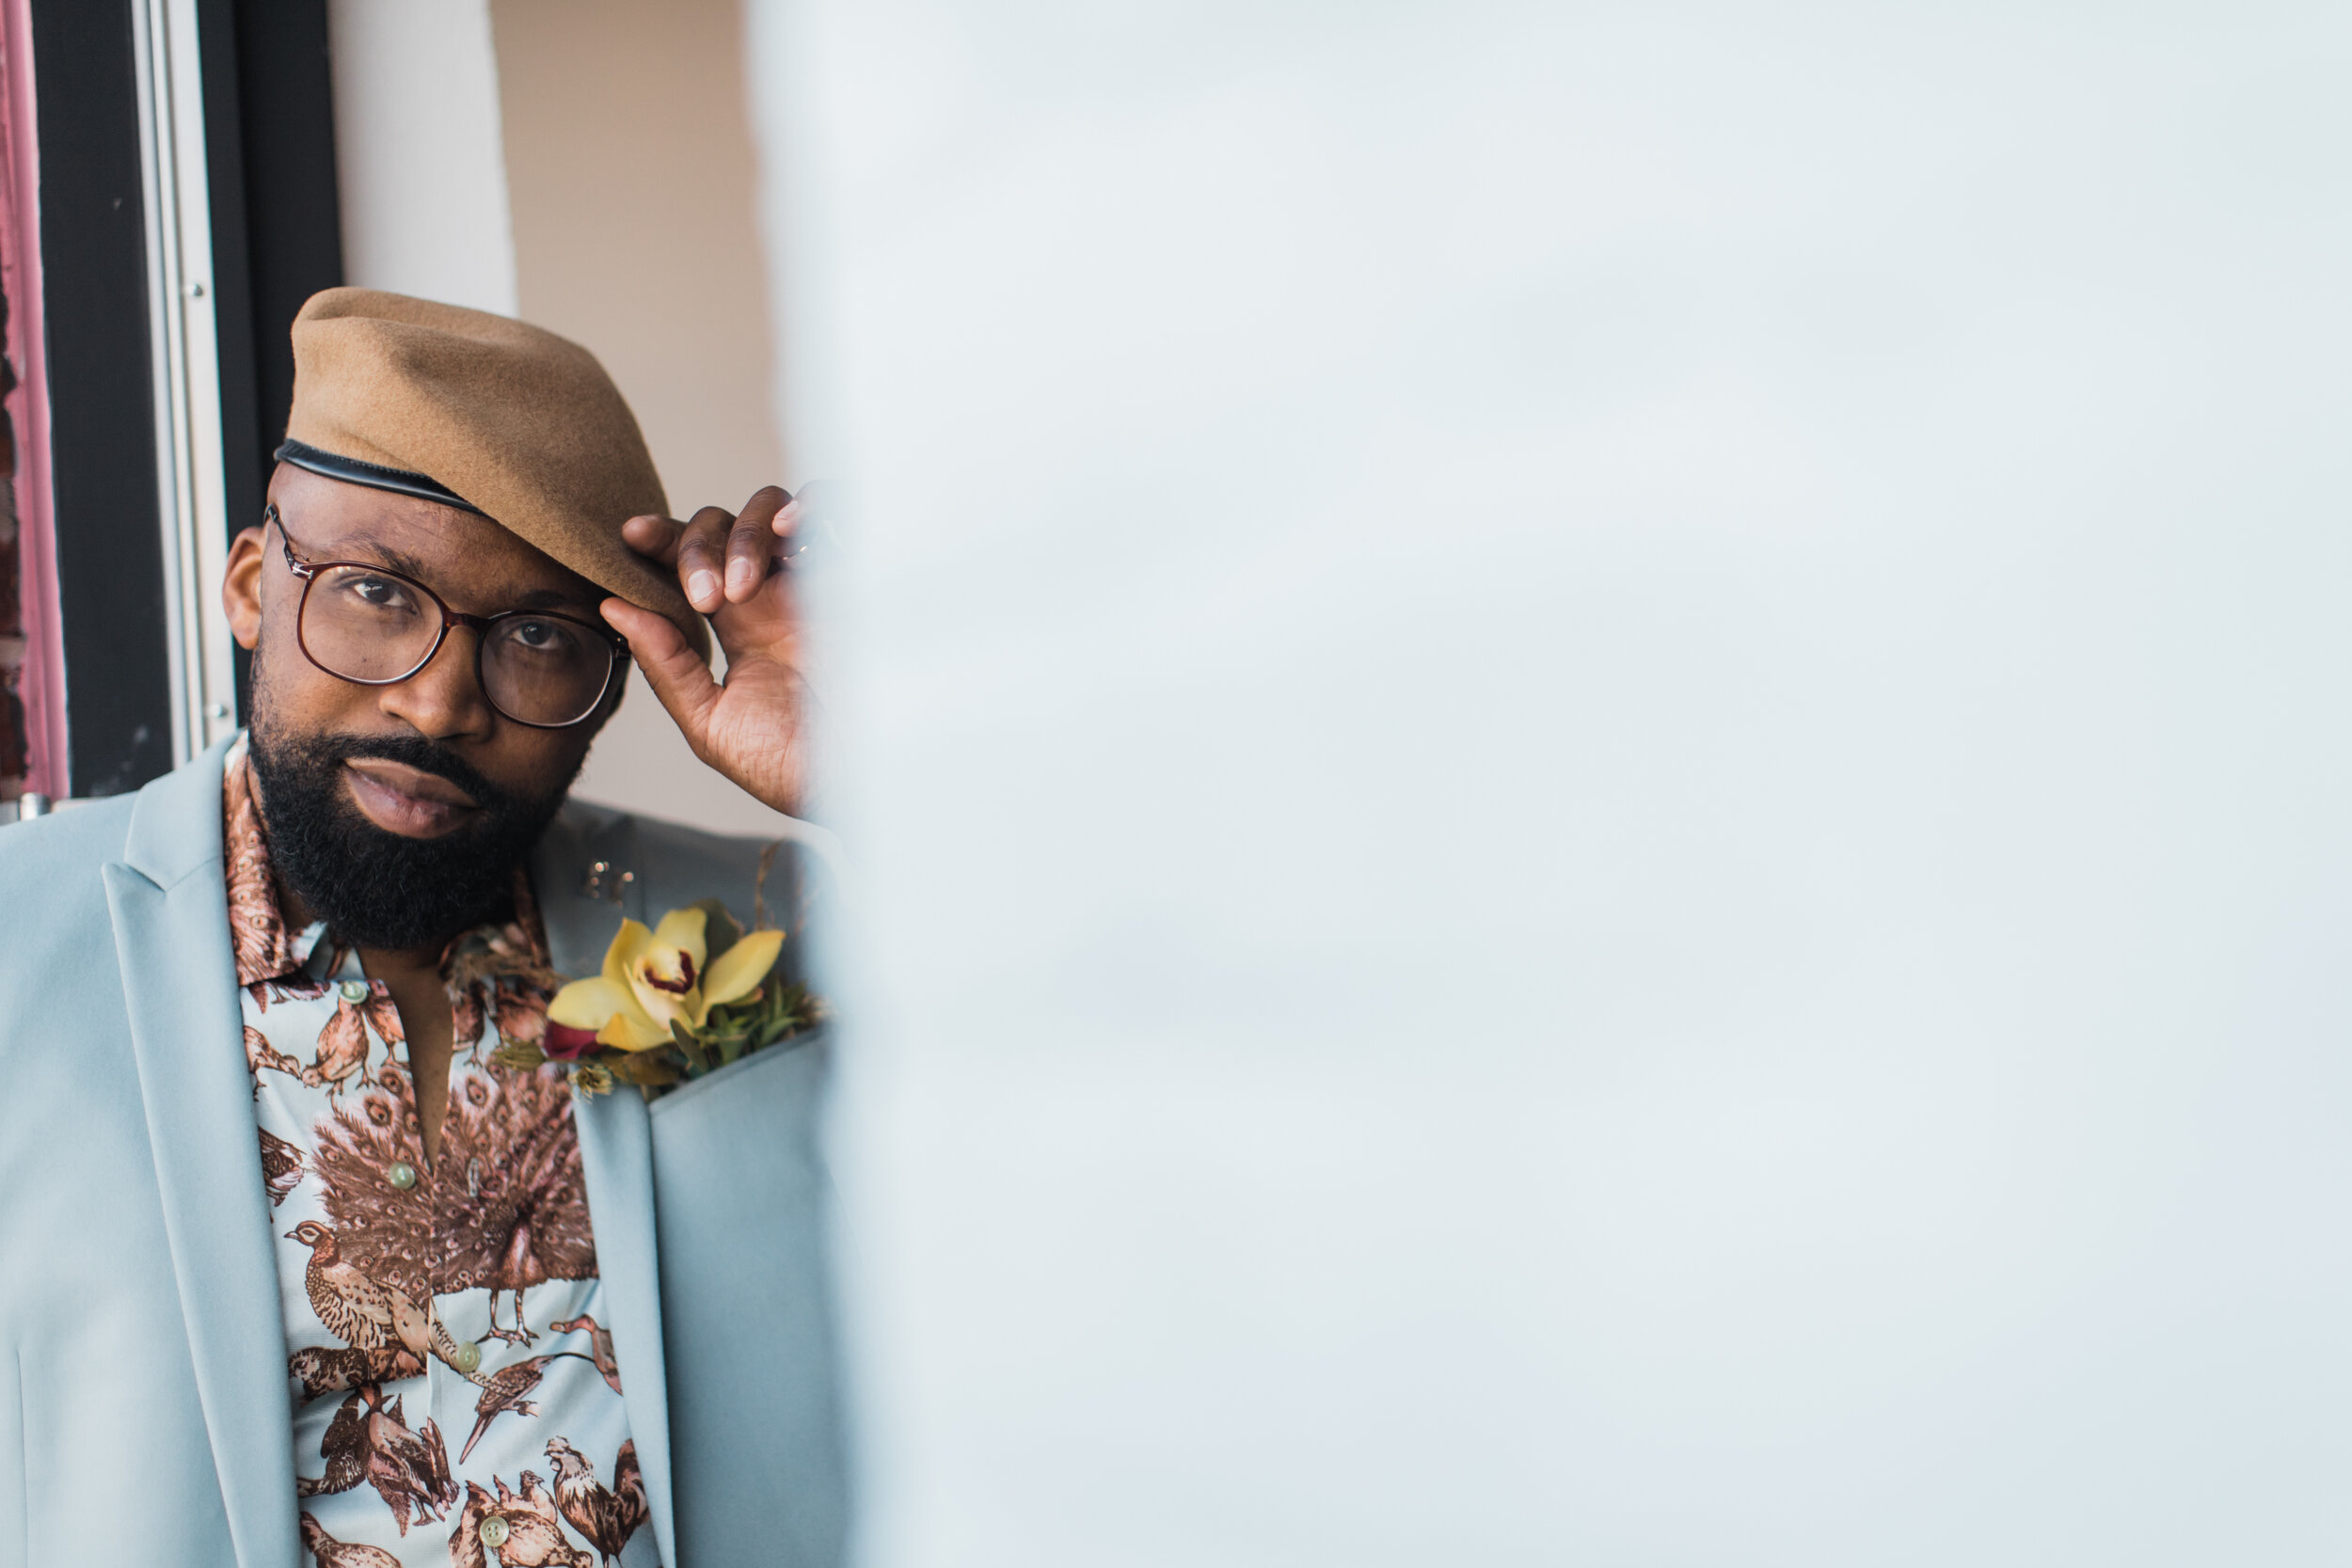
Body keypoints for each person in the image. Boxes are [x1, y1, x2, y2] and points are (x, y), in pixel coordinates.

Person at [0, 291, 845, 1567]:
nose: (441, 701)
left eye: (542, 636)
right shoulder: (21, 940)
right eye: (376, 595)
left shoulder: (765, 930)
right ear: (249, 586)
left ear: (625, 675)